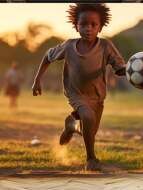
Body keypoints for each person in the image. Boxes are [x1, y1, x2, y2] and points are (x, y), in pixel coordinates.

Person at [32, 3, 126, 171]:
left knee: (88, 133)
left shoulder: (106, 46)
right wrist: (37, 80)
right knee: (88, 118)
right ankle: (91, 159)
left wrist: (127, 71)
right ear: (76, 26)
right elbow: (48, 56)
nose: (88, 28)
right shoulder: (68, 46)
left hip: (97, 97)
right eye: (83, 24)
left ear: (100, 27)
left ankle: (71, 124)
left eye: (93, 25)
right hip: (76, 94)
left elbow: (120, 68)